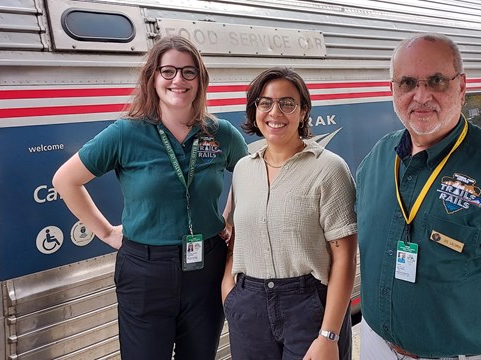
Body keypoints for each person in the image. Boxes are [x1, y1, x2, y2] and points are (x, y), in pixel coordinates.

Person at [52, 35, 248, 360]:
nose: (178, 80)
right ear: (152, 78)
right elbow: (66, 180)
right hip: (145, 270)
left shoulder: (221, 132)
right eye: (167, 71)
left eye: (188, 72)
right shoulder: (126, 133)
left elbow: (249, 177)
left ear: (200, 79)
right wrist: (105, 232)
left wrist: (228, 220)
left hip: (208, 264)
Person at [356, 33, 481, 359]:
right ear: (392, 90)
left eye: (436, 81)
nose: (421, 95)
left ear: (462, 87)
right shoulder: (378, 158)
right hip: (376, 346)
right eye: (407, 82)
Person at [221, 67, 358, 360]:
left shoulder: (329, 168)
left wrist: (329, 334)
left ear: (303, 110)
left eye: (287, 103)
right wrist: (229, 293)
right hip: (249, 305)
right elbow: (236, 237)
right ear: (255, 109)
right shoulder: (244, 169)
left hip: (308, 305)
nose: (275, 112)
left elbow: (344, 257)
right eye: (265, 102)